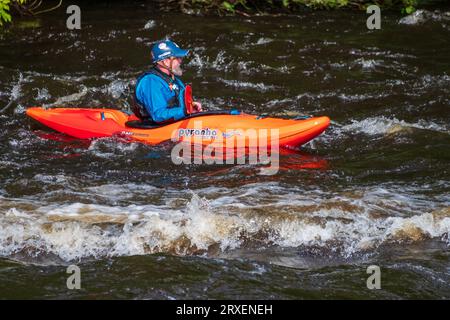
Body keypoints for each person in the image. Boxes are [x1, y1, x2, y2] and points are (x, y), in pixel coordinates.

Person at [132, 39, 202, 124]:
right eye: (177, 58)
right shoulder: (151, 82)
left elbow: (183, 106)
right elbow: (158, 115)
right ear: (165, 61)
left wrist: (193, 106)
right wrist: (184, 111)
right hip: (155, 128)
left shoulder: (176, 81)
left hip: (175, 123)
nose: (181, 61)